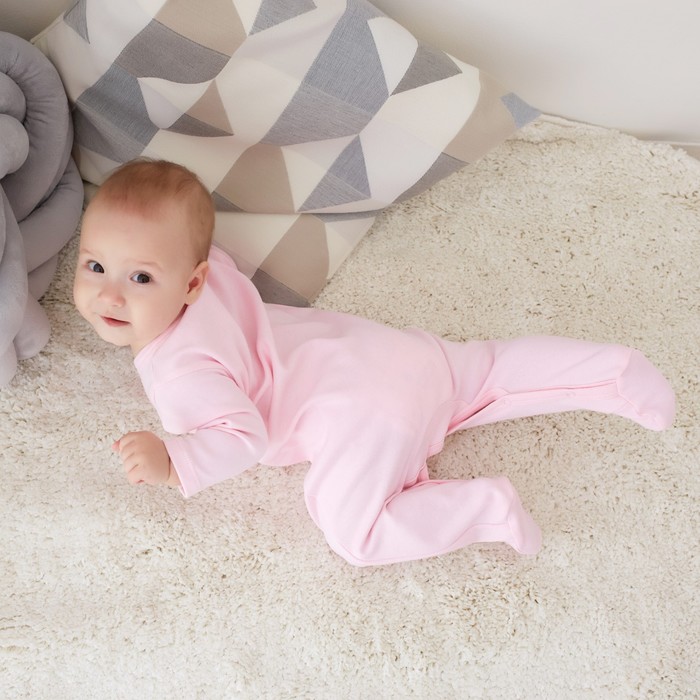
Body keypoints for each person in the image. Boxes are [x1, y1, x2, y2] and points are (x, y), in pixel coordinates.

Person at [73, 159, 676, 567]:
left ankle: (485, 509)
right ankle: (614, 372)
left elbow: (242, 436)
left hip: (365, 413)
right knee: (491, 370)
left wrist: (174, 461)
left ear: (191, 282)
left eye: (140, 277)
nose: (110, 296)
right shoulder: (213, 278)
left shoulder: (180, 373)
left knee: (356, 535)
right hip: (382, 352)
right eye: (95, 266)